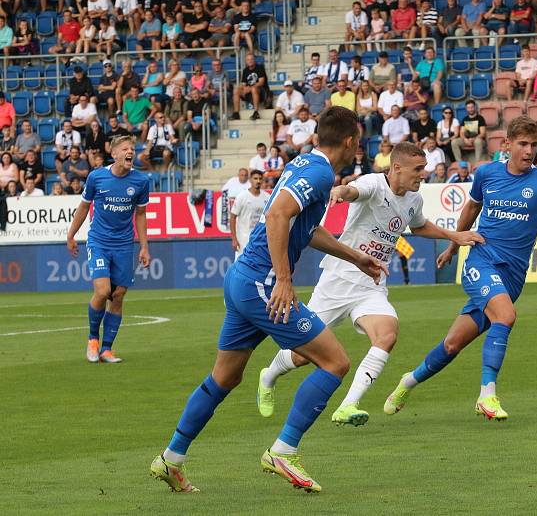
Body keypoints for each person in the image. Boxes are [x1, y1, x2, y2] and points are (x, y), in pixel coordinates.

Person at [149, 107, 387, 494]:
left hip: (242, 279)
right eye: (357, 141)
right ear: (349, 141)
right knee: (336, 362)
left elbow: (303, 228)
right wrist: (284, 279)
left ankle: (171, 458)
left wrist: (354, 255)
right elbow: (277, 216)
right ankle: (284, 450)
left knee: (225, 376)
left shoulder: (305, 164)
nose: (358, 147)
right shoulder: (321, 172)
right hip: (262, 283)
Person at [258, 142, 484, 426]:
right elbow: (353, 190)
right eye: (418, 169)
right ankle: (268, 375)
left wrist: (454, 236)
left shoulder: (414, 199)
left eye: (424, 168)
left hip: (371, 284)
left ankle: (348, 405)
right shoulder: (373, 183)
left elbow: (418, 225)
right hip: (338, 281)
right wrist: (340, 191)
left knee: (387, 333)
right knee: (303, 356)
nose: (423, 174)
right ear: (397, 168)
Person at [384, 116, 537, 421]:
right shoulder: (487, 174)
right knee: (505, 316)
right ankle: (487, 394)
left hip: (513, 276)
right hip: (481, 261)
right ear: (507, 144)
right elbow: (471, 209)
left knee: (453, 344)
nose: (529, 150)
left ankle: (408, 381)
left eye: (534, 145)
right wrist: (455, 244)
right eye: (522, 144)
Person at [66, 135, 151, 364]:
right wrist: (71, 234)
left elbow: (141, 215)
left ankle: (106, 349)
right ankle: (93, 339)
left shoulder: (141, 182)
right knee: (103, 291)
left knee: (119, 295)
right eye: (125, 148)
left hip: (124, 244)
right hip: (99, 242)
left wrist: (144, 246)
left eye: (132, 148)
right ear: (114, 154)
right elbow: (84, 207)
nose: (130, 152)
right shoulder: (97, 177)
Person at [230, 169, 268, 259]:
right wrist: (234, 239)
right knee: (242, 265)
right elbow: (232, 217)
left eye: (260, 178)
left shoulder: (267, 197)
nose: (258, 181)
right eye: (255, 178)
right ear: (250, 180)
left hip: (261, 239)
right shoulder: (242, 196)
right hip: (244, 239)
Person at [231, 53, 269, 121]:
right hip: (250, 93)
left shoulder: (260, 68)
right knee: (236, 90)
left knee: (254, 89)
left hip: (262, 92)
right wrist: (244, 88)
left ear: (254, 60)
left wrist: (250, 88)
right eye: (248, 60)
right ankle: (236, 113)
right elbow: (243, 84)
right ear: (246, 61)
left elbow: (261, 82)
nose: (250, 61)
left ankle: (256, 112)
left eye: (251, 59)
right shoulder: (245, 70)